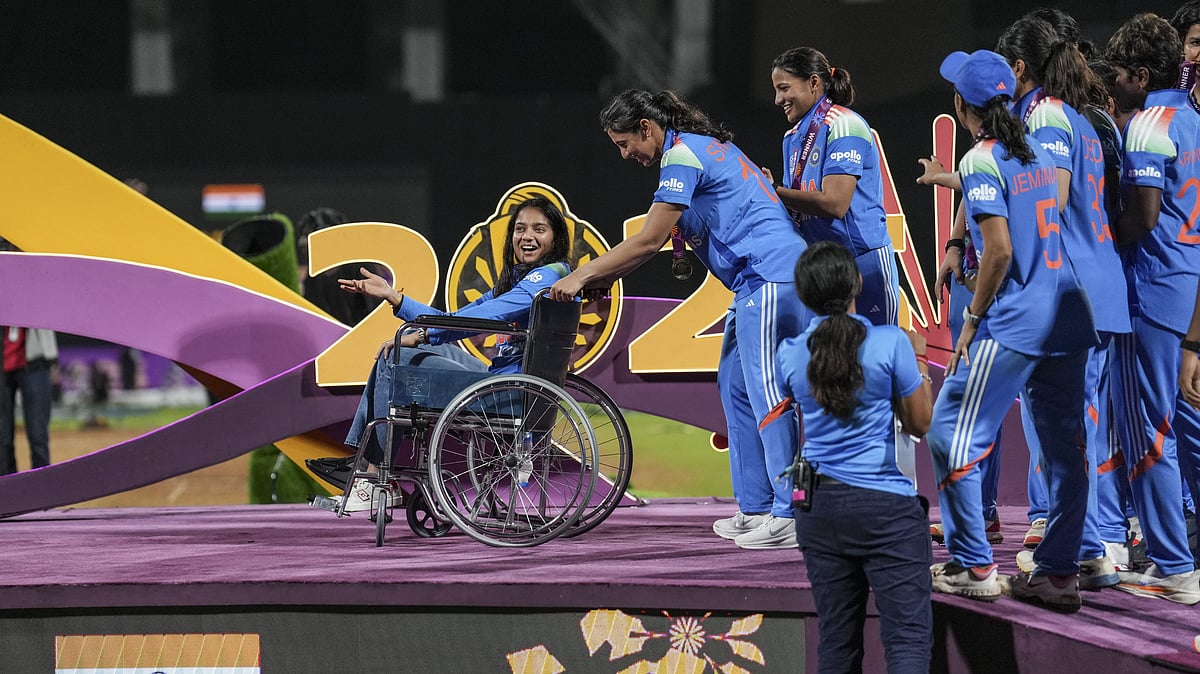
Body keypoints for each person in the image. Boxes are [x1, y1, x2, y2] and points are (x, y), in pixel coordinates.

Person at [549, 89, 810, 550]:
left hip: (772, 276)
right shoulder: (697, 148)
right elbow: (649, 247)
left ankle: (789, 512)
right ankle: (757, 507)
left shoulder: (682, 156)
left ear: (647, 128)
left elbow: (649, 241)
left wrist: (585, 272)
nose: (626, 154)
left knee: (768, 395)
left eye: (625, 143)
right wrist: (604, 278)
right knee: (736, 390)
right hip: (753, 284)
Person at [927, 49, 1096, 611]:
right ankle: (1058, 574)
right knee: (1067, 450)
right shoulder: (1037, 150)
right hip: (1069, 313)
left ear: (961, 104)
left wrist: (971, 322)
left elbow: (996, 252)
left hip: (1018, 320)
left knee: (950, 433)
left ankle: (973, 565)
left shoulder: (981, 159)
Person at [311, 195, 573, 510]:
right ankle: (368, 464)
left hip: (509, 392)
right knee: (400, 351)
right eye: (520, 228)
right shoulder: (526, 280)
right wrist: (403, 308)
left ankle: (376, 477)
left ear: (555, 238)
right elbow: (457, 317)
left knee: (393, 360)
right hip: (507, 383)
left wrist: (407, 314)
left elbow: (478, 320)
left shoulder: (542, 281)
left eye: (538, 229)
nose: (526, 236)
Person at [997, 13, 1129, 590]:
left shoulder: (1047, 115)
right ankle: (1088, 545)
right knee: (1076, 428)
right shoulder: (1068, 114)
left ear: (1020, 67)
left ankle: (1087, 548)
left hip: (1069, 289)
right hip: (1087, 285)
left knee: (1067, 428)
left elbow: (1050, 197)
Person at [780, 241, 933, 674]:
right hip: (885, 508)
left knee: (837, 643)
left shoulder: (789, 354)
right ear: (858, 283)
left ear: (804, 294)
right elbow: (920, 424)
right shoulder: (890, 343)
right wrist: (919, 358)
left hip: (817, 510)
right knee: (906, 643)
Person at [1105, 13, 1200, 605]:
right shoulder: (1192, 117)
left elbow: (1140, 219)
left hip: (1152, 285)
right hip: (1187, 281)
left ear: (1140, 75)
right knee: (1182, 422)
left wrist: (1092, 237)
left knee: (1150, 430)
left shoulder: (1147, 125)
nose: (1110, 84)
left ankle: (1172, 565)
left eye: (1116, 74)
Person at [766, 47, 900, 327]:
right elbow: (798, 207)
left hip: (863, 262)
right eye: (776, 90)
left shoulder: (845, 125)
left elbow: (835, 203)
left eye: (784, 88)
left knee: (874, 357)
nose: (778, 100)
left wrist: (774, 192)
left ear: (814, 83)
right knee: (830, 363)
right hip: (821, 270)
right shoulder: (791, 138)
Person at [0, 237, 58, 475]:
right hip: (3, 366)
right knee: (2, 439)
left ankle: (42, 495)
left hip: (34, 362)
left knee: (37, 435)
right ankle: (6, 495)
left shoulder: (37, 269)